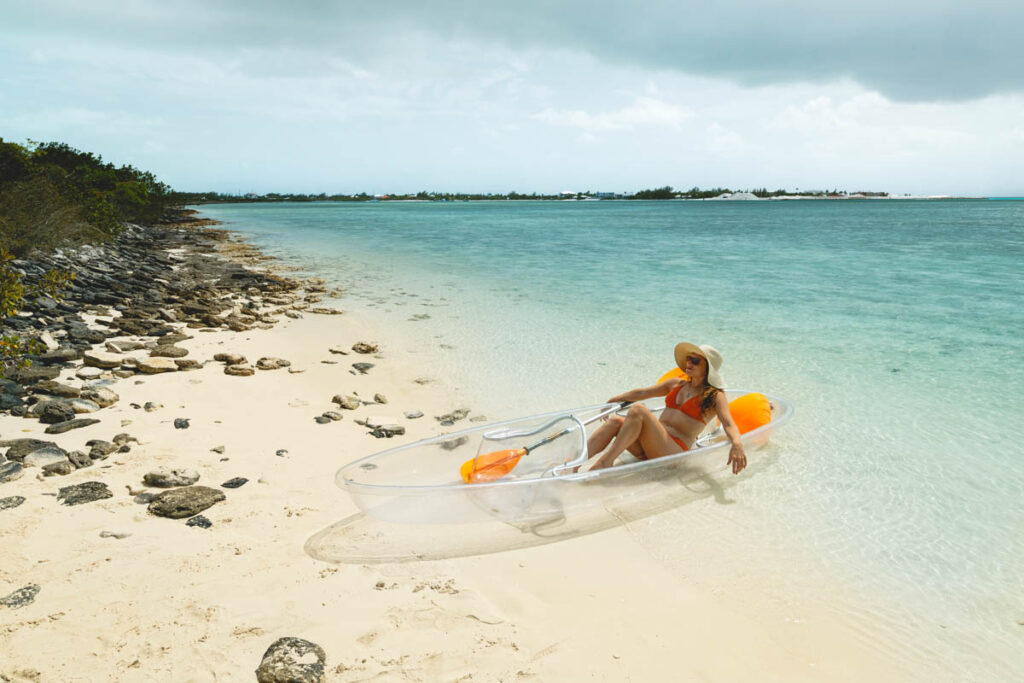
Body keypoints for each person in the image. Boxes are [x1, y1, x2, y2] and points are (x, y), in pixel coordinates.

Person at [584, 342, 748, 474]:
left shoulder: (715, 396)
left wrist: (737, 444)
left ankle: (605, 462)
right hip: (650, 447)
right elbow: (643, 392)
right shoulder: (676, 384)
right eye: (689, 359)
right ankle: (574, 466)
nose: (689, 363)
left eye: (695, 361)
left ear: (708, 368)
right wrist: (616, 399)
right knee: (615, 421)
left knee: (639, 410)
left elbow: (728, 423)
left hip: (672, 454)